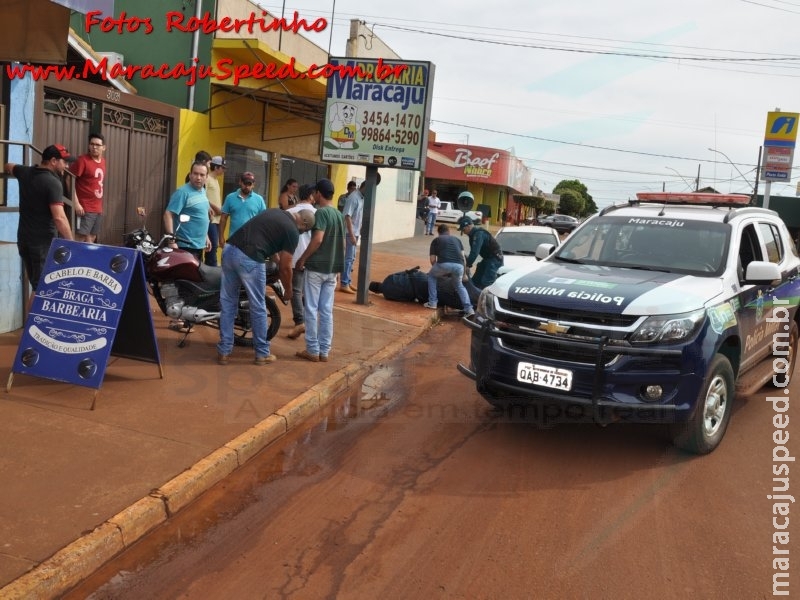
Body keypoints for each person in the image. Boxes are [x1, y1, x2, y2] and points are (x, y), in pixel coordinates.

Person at [217, 207, 316, 366]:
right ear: (303, 223)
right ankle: (262, 353)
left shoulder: (275, 212)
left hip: (229, 251)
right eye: (305, 230)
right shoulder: (292, 230)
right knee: (257, 306)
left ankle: (224, 352)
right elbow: (285, 266)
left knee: (228, 303)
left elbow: (267, 241)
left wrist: (276, 261)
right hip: (250, 258)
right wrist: (289, 290)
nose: (302, 233)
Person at [5, 144, 75, 309]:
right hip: (42, 244)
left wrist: (8, 169)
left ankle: (33, 330)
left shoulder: (25, 172)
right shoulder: (53, 182)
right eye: (63, 162)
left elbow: (8, 166)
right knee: (41, 289)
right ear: (52, 161)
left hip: (24, 240)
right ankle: (30, 333)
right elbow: (59, 217)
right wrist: (72, 241)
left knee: (37, 284)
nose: (66, 166)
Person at [294, 178, 345, 363]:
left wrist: (302, 259)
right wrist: (340, 269)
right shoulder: (339, 215)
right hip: (332, 269)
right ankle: (324, 351)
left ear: (319, 194)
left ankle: (312, 350)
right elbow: (343, 244)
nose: (314, 195)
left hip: (316, 268)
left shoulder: (321, 213)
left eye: (315, 192)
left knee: (311, 308)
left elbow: (317, 240)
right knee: (326, 310)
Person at [285, 183, 317, 339]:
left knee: (296, 290)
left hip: (293, 256)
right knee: (309, 291)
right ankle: (307, 320)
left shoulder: (289, 212)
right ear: (311, 196)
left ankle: (299, 321)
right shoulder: (317, 213)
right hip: (310, 257)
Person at [423, 223, 474, 316]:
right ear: (449, 232)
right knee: (459, 285)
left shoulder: (436, 240)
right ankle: (469, 309)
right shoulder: (457, 240)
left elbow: (432, 260)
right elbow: (463, 258)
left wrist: (440, 271)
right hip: (459, 266)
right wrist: (464, 274)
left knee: (431, 276)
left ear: (439, 232)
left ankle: (432, 302)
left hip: (444, 264)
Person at [163, 161, 210, 260]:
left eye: (202, 175)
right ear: (190, 174)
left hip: (199, 246)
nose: (198, 177)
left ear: (206, 177)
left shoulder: (202, 191)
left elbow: (201, 216)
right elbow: (168, 214)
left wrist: (206, 237)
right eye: (195, 173)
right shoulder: (182, 192)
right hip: (185, 246)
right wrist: (172, 241)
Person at [69, 132, 106, 243]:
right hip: (84, 207)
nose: (94, 147)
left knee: (92, 237)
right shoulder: (82, 160)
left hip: (97, 208)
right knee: (80, 238)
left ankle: (87, 260)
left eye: (97, 145)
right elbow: (69, 179)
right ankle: (75, 260)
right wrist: (76, 203)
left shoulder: (103, 161)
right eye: (92, 144)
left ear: (104, 147)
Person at [219, 171, 267, 247]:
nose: (247, 186)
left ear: (253, 185)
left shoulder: (259, 199)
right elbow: (223, 218)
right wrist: (221, 236)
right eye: (245, 183)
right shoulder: (230, 197)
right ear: (240, 182)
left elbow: (264, 220)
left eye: (249, 184)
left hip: (252, 241)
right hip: (233, 240)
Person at [457, 215, 503, 289]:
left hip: (494, 259)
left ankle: (488, 299)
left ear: (468, 226)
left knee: (486, 282)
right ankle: (475, 297)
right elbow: (473, 253)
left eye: (464, 230)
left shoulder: (479, 234)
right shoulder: (472, 235)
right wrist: (468, 264)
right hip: (487, 259)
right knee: (476, 280)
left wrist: (467, 265)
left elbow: (474, 253)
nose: (464, 232)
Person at [339, 180, 365, 294]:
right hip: (351, 233)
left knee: (352, 258)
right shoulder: (354, 197)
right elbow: (347, 216)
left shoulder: (361, 198)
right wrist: (351, 234)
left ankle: (347, 281)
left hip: (356, 232)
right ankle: (344, 283)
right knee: (348, 258)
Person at [204, 155, 226, 266]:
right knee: (212, 247)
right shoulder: (207, 179)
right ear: (216, 167)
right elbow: (202, 196)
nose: (223, 170)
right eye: (222, 167)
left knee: (214, 246)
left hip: (217, 219)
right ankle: (210, 270)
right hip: (210, 218)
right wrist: (215, 208)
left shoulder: (216, 181)